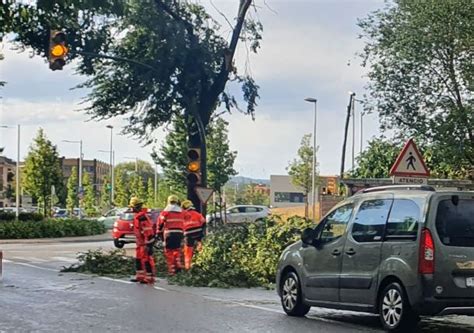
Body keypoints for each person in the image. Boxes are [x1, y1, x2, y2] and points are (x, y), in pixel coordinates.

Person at [129, 196, 156, 284]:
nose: (131, 209)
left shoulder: (141, 217)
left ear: (135, 207)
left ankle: (149, 277)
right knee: (139, 259)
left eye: (132, 207)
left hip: (145, 243)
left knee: (146, 260)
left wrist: (148, 244)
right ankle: (140, 276)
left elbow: (147, 231)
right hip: (140, 243)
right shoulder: (138, 217)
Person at [157, 195, 184, 275]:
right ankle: (178, 265)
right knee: (177, 249)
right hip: (179, 233)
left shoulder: (165, 212)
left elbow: (160, 223)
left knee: (169, 252)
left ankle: (171, 270)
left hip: (169, 233)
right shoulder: (181, 211)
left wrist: (158, 233)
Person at [181, 200, 206, 270]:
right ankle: (201, 262)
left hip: (188, 233)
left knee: (188, 250)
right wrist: (200, 228)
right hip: (198, 232)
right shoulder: (197, 213)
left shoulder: (183, 214)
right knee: (200, 247)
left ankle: (188, 266)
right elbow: (203, 222)